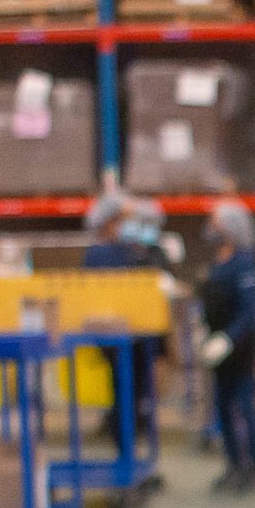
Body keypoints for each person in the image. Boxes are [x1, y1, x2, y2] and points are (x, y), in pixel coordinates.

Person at [80, 188, 174, 451]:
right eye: (123, 219)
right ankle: (124, 449)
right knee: (123, 398)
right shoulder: (101, 254)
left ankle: (135, 451)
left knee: (139, 396)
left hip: (142, 340)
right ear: (109, 222)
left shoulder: (140, 250)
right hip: (117, 342)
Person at [196, 198, 255, 494]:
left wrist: (229, 339)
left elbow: (249, 310)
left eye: (217, 223)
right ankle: (233, 463)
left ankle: (254, 466)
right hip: (216, 344)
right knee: (222, 405)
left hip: (240, 347)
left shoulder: (244, 262)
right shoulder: (218, 261)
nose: (212, 228)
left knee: (245, 403)